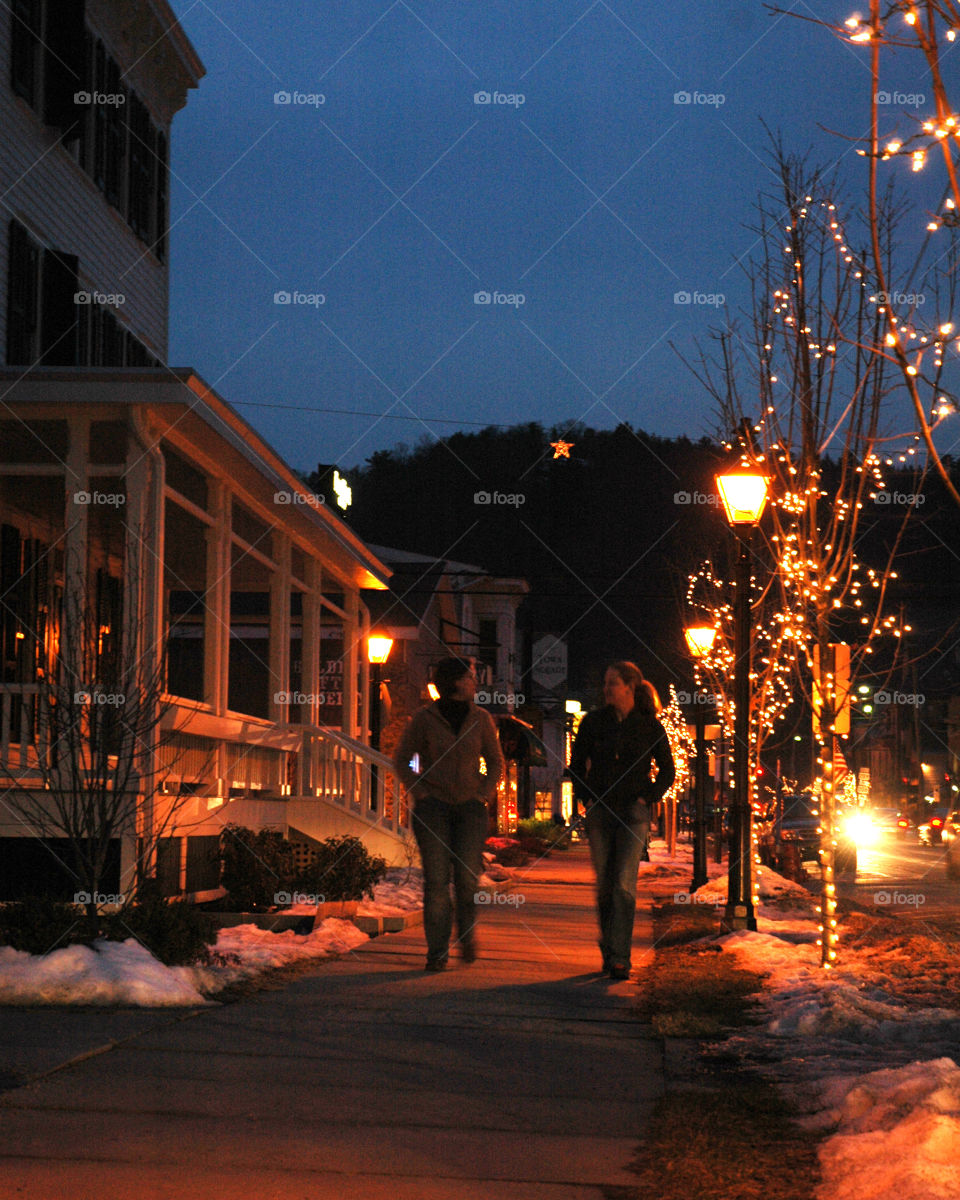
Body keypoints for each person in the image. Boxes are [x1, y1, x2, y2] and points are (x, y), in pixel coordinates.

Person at [393, 657, 505, 971]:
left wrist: (483, 794)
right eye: (470, 678)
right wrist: (421, 791)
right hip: (433, 809)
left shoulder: (481, 718)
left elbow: (496, 761)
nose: (475, 683)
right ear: (456, 682)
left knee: (467, 879)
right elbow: (402, 758)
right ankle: (437, 952)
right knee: (437, 881)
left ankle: (466, 937)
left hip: (470, 809)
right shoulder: (424, 719)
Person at [569, 662, 675, 980]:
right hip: (600, 811)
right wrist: (586, 796)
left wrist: (649, 796)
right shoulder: (592, 722)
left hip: (632, 812)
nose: (606, 689)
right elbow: (576, 764)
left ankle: (620, 956)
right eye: (605, 683)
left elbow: (667, 769)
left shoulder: (649, 726)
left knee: (623, 885)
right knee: (605, 886)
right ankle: (610, 946)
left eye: (612, 683)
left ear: (629, 687)